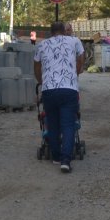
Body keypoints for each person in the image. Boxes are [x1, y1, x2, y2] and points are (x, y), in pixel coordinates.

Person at [34, 20, 84, 172]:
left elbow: (36, 67)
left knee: (53, 123)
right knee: (68, 124)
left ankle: (55, 156)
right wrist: (75, 73)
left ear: (50, 32)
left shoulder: (41, 45)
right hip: (69, 89)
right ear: (64, 30)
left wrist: (43, 82)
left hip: (49, 90)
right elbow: (81, 57)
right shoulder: (74, 41)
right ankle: (65, 160)